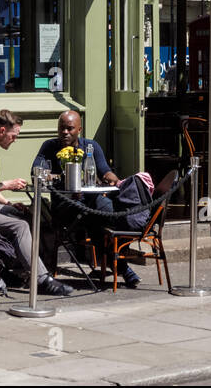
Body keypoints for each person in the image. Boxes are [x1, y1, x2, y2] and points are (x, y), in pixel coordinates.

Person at [0, 110, 74, 296]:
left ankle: (23, 272)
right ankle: (42, 280)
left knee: (28, 215)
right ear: (2, 131)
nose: (14, 140)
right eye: (13, 135)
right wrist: (6, 185)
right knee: (20, 226)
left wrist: (9, 202)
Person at [32, 111, 141, 288]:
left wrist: (116, 180)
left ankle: (120, 259)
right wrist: (59, 177)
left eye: (70, 128)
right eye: (62, 128)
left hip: (89, 204)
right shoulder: (49, 146)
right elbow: (36, 172)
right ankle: (123, 268)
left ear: (79, 129)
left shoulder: (90, 146)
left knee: (106, 216)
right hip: (64, 206)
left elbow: (105, 171)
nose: (65, 132)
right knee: (97, 218)